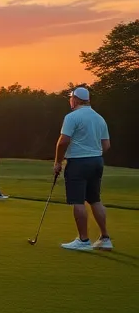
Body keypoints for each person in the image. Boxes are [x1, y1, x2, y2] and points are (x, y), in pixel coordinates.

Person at [54, 87, 112, 251]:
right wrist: (93, 154)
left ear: (76, 100)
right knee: (94, 199)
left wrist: (58, 162)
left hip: (78, 163)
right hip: (97, 161)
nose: (70, 100)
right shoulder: (99, 118)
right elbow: (106, 145)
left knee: (78, 200)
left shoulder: (72, 117)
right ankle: (105, 238)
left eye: (71, 98)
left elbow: (63, 141)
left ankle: (83, 240)